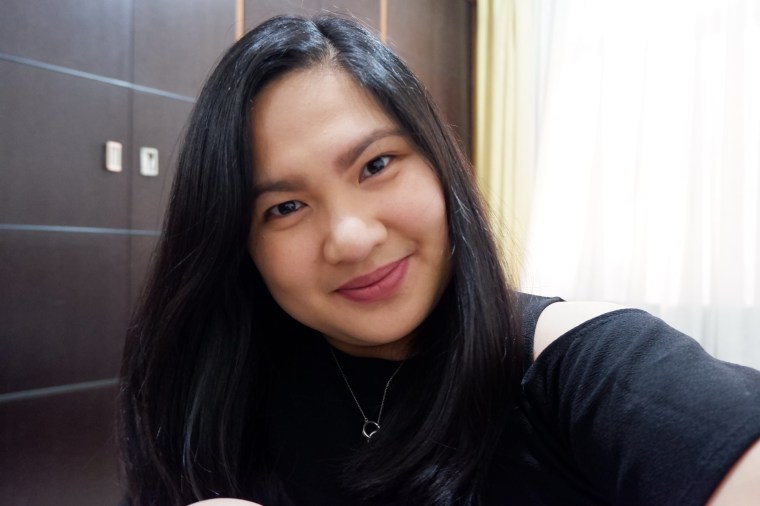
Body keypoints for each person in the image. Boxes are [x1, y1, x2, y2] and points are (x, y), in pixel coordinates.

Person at [118, 13, 760, 506]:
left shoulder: (584, 365)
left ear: (439, 164)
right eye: (285, 207)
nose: (351, 237)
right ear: (239, 244)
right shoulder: (218, 398)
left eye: (376, 164)